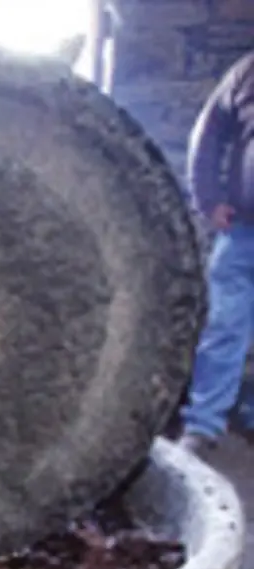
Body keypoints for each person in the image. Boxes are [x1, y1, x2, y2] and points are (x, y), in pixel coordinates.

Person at [178, 50, 254, 455]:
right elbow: (208, 136)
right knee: (223, 326)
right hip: (244, 231)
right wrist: (208, 199)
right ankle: (204, 424)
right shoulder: (246, 72)